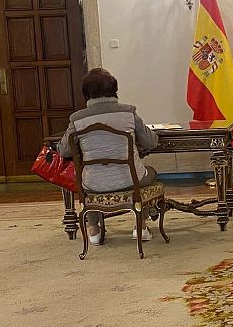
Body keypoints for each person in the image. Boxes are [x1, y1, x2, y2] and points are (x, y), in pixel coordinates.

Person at [58, 68, 159, 246]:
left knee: (91, 180)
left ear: (86, 93)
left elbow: (64, 151)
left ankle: (94, 231)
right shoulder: (128, 112)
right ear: (114, 89)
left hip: (93, 184)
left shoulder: (77, 119)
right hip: (130, 179)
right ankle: (141, 227)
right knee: (150, 173)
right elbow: (150, 142)